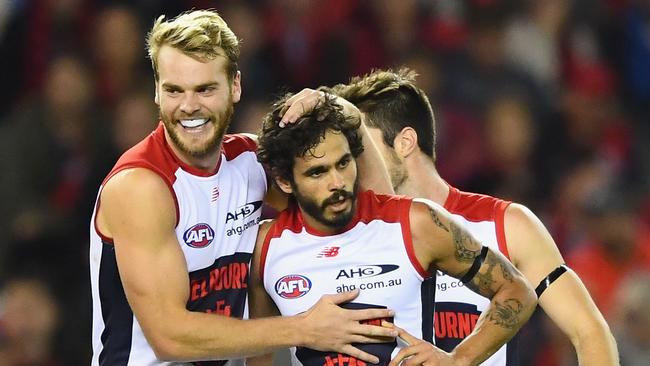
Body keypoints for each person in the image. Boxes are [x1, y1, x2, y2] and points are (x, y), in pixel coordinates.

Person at [89, 10, 396, 365]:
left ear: (235, 86)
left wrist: (347, 115)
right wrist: (304, 328)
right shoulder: (140, 185)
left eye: (205, 89)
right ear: (157, 92)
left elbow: (373, 223)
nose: (188, 107)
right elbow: (169, 337)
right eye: (174, 90)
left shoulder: (249, 161)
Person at [331, 68, 619, 365]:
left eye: (361, 146)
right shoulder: (350, 239)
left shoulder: (506, 225)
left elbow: (589, 332)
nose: (352, 161)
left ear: (405, 142)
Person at [249, 94, 537, 366]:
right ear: (285, 182)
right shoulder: (267, 245)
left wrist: (459, 359)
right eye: (318, 172)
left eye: (344, 163)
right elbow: (260, 352)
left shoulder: (414, 222)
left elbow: (517, 290)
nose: (337, 182)